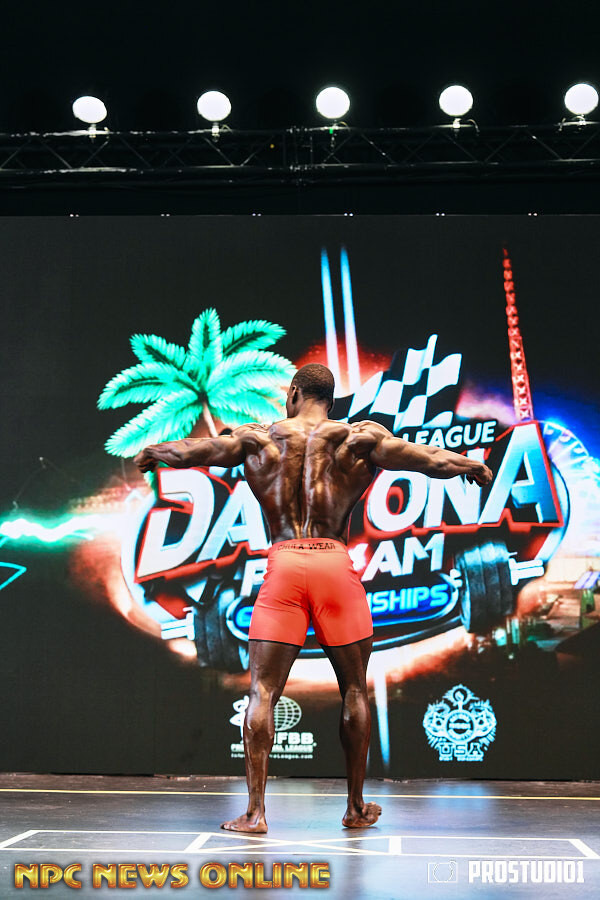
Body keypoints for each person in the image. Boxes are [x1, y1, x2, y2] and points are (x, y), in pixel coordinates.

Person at [134, 363, 492, 833]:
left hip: (284, 565)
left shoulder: (259, 439)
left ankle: (255, 813)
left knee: (263, 692)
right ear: (331, 401)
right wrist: (470, 465)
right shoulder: (358, 438)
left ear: (294, 393)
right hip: (334, 567)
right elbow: (425, 458)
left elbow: (203, 450)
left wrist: (156, 452)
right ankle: (355, 807)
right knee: (355, 690)